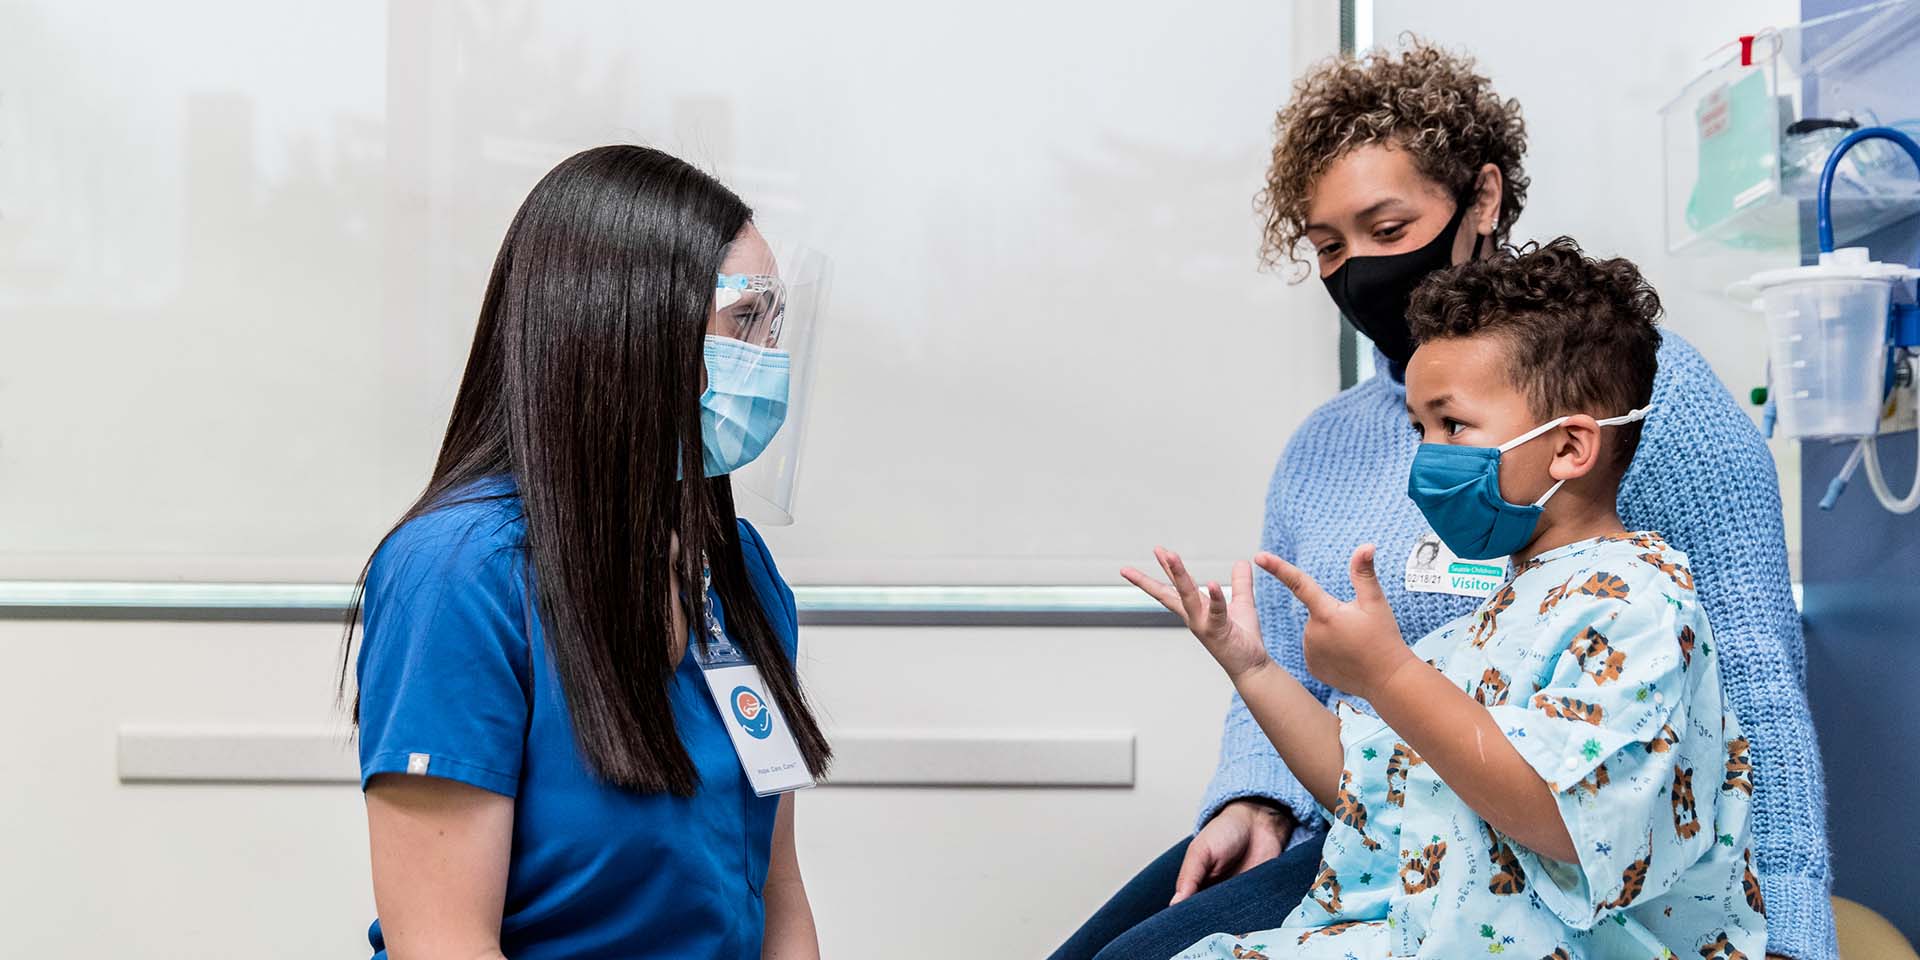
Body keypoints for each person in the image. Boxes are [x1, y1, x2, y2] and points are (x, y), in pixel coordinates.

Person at [1051, 41, 1831, 960]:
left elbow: (1752, 688)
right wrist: (1254, 797)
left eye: (1387, 230)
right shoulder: (1326, 447)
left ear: (1484, 202)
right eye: (1329, 246)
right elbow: (1311, 678)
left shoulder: (1647, 411)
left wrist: (1789, 930)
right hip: (1377, 825)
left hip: (1529, 874)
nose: (1360, 271)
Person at [1134, 239, 1765, 958]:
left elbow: (1565, 817)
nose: (1426, 456)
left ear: (1568, 449)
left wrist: (1388, 676)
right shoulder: (1496, 618)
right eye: (1418, 429)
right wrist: (1252, 670)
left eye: (1452, 425)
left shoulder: (1636, 609)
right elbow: (1363, 783)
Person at [338, 145, 832, 959]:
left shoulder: (738, 568)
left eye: (774, 323)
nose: (767, 355)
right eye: (747, 319)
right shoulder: (461, 576)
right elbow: (444, 944)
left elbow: (779, 897)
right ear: (629, 324)